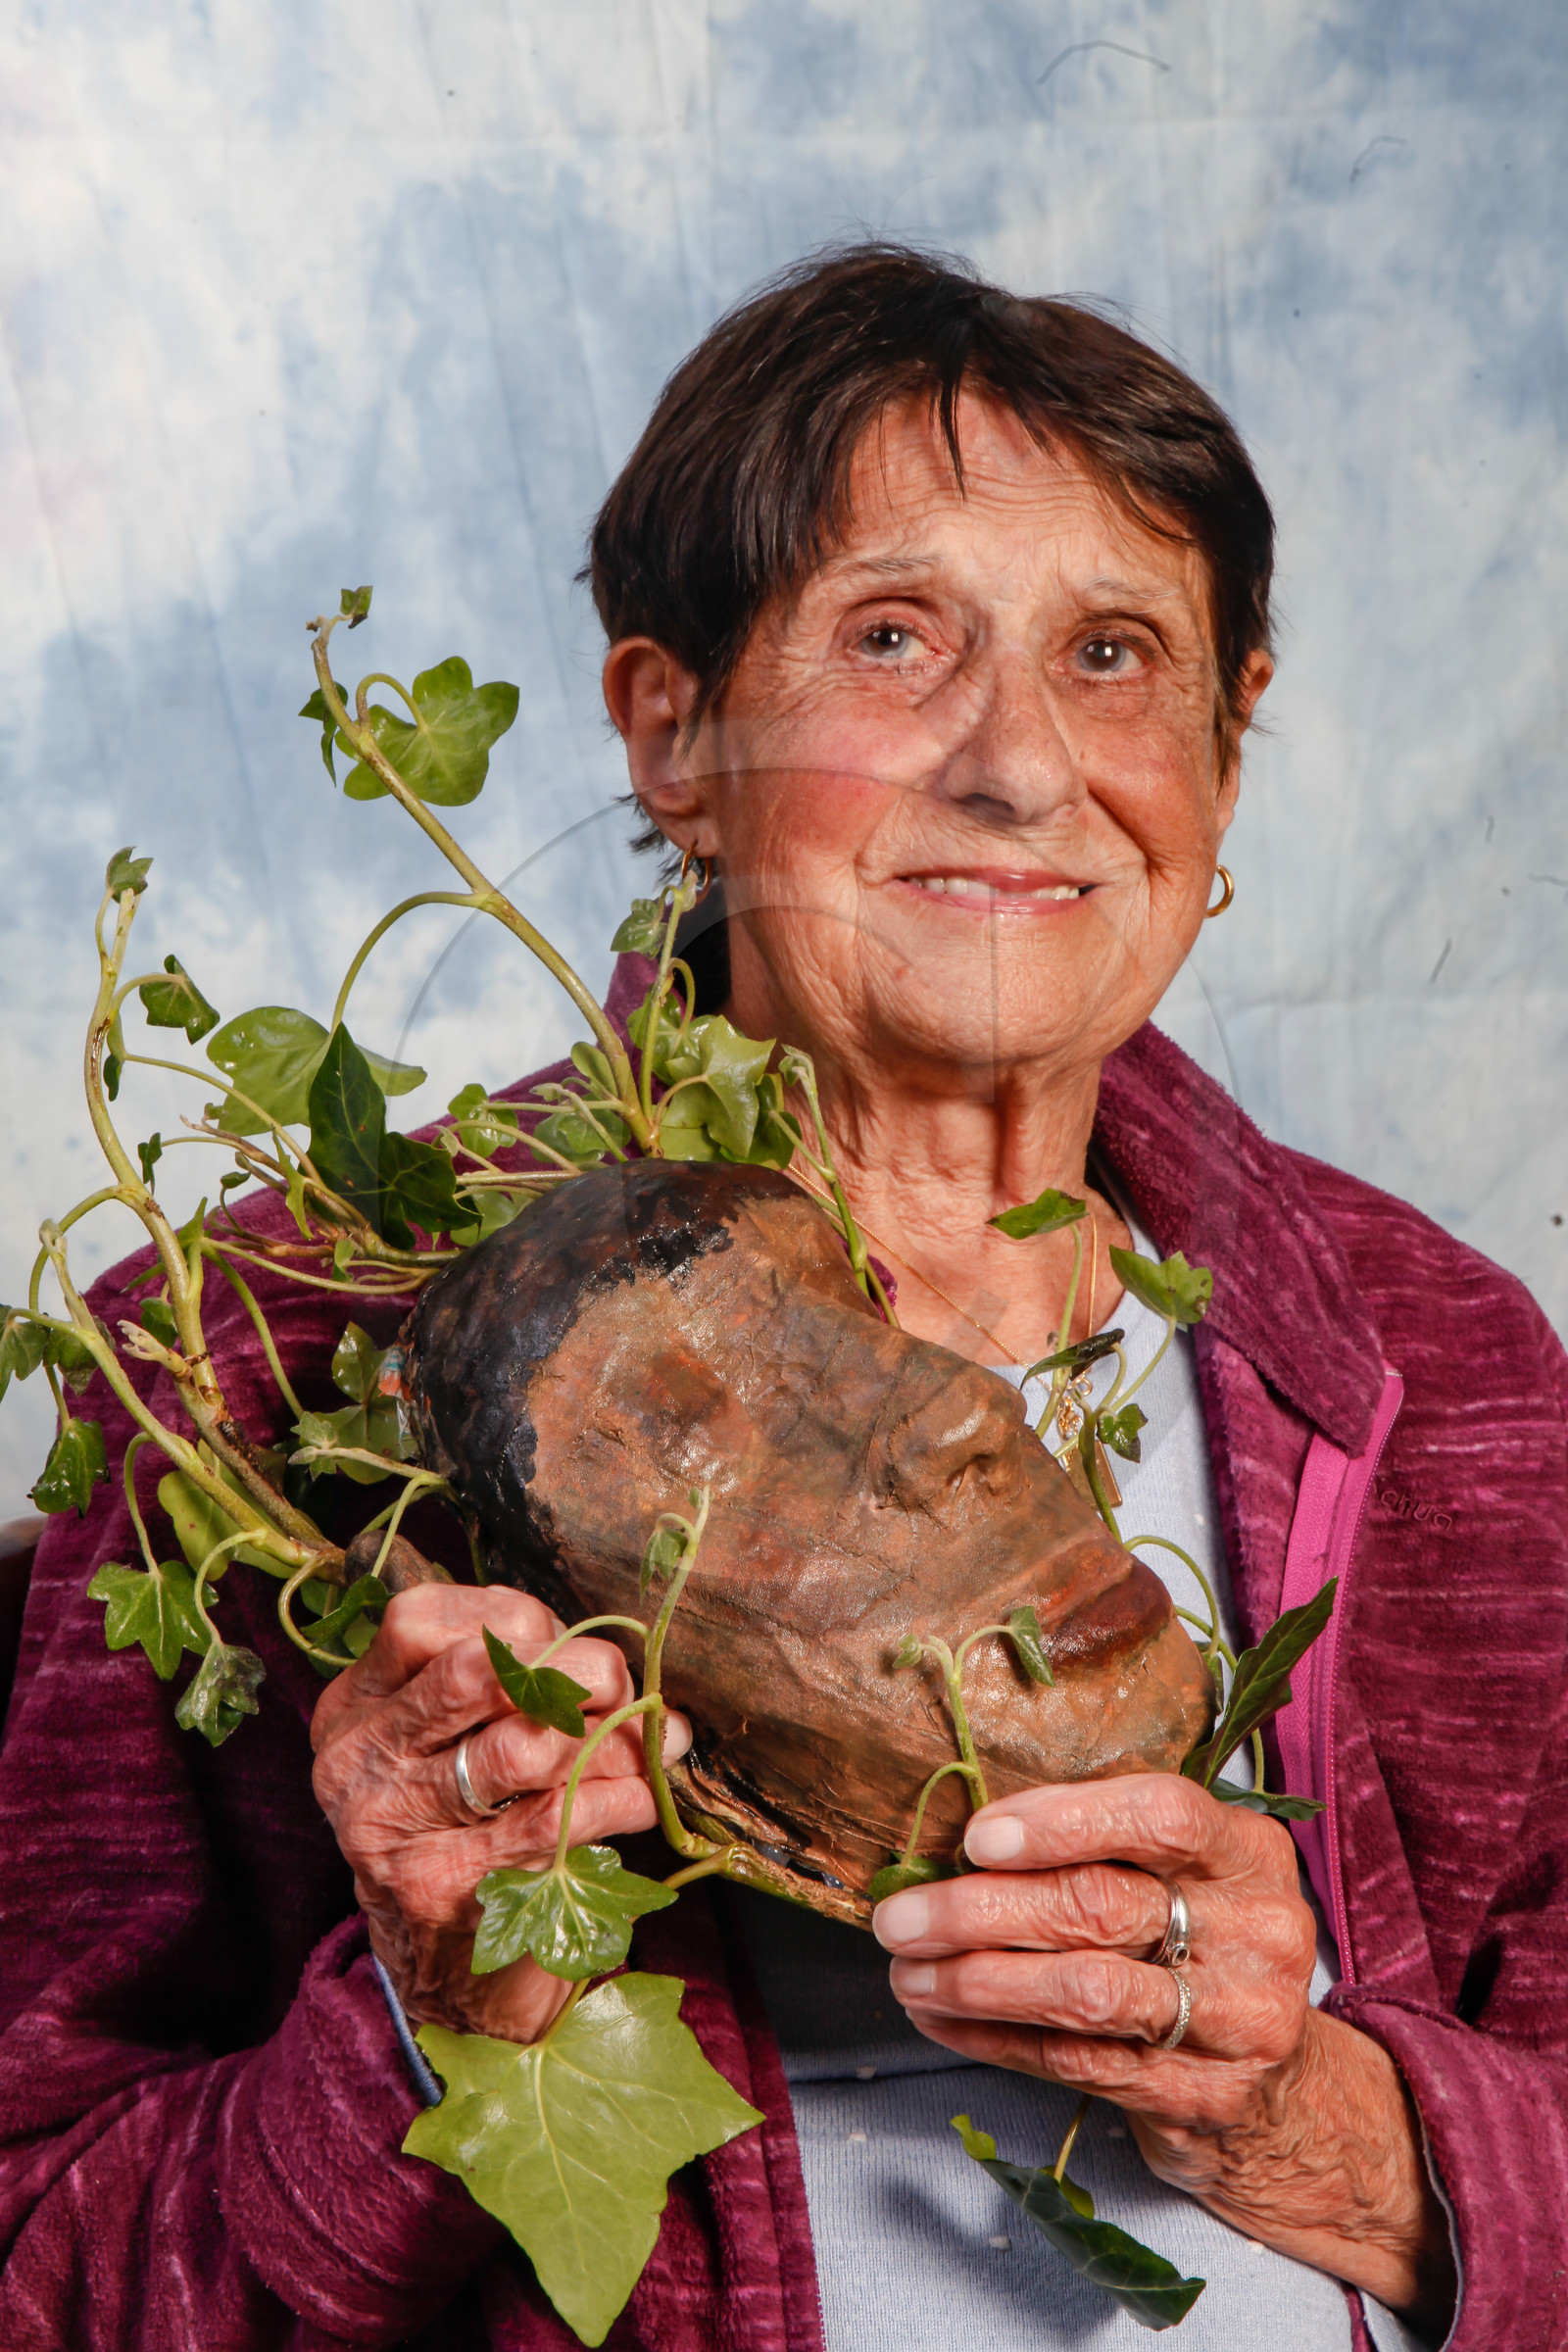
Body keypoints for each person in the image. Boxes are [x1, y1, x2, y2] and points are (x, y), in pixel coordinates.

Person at [1, 244, 1563, 2352]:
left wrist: (1318, 2127)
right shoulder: (256, 1365)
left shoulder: (1441, 1366)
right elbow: (48, 2279)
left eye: (1114, 654)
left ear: (1225, 746)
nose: (1017, 762)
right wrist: (411, 2028)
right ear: (674, 731)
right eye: (894, 638)